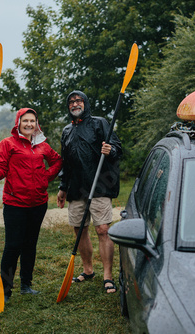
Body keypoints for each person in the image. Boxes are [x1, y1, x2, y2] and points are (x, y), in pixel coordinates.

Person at [0, 108, 62, 302]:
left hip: (38, 203)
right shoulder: (7, 144)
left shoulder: (42, 145)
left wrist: (46, 177)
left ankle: (26, 285)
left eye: (32, 121)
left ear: (37, 124)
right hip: (15, 204)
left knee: (30, 245)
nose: (29, 124)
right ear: (18, 123)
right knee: (13, 246)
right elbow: (1, 172)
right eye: (25, 121)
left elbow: (57, 161)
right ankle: (5, 290)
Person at [57, 90, 122, 294]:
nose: (75, 104)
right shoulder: (67, 131)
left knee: (102, 229)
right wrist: (62, 188)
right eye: (71, 102)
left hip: (99, 185)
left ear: (85, 103)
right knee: (79, 229)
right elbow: (65, 163)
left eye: (79, 100)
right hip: (76, 188)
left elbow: (118, 148)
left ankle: (108, 276)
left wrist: (110, 150)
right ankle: (88, 270)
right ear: (68, 107)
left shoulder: (99, 123)